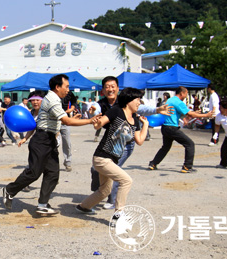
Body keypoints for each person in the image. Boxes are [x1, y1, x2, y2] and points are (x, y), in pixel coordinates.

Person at [2, 74, 98, 216]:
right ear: (57, 87)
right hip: (41, 140)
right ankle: (10, 190)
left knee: (53, 173)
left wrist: (72, 117)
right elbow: (67, 122)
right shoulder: (52, 99)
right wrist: (90, 121)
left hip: (49, 140)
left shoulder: (55, 100)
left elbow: (58, 118)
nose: (68, 89)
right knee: (34, 172)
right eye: (66, 86)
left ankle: (42, 205)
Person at [90, 76, 173, 210]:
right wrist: (93, 115)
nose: (110, 89)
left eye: (113, 86)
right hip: (110, 144)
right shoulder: (103, 104)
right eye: (107, 87)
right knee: (98, 171)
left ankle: (112, 201)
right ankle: (95, 199)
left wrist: (157, 110)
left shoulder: (126, 102)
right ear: (103, 90)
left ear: (117, 88)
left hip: (125, 145)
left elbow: (142, 108)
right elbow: (96, 114)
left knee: (118, 175)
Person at [76, 88, 149, 219]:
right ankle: (118, 215)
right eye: (138, 100)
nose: (139, 103)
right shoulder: (116, 111)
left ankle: (84, 206)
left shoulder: (135, 121)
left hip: (112, 160)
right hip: (102, 157)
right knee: (126, 181)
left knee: (105, 190)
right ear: (129, 101)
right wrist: (96, 121)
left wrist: (146, 125)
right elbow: (99, 124)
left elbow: (140, 141)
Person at [148, 86, 213, 173]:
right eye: (186, 94)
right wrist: (206, 115)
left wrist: (192, 113)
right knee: (190, 144)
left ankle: (153, 163)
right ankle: (187, 166)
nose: (186, 96)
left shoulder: (170, 100)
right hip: (172, 128)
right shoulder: (179, 102)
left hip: (165, 127)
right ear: (182, 93)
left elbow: (179, 113)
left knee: (165, 147)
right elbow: (190, 114)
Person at [60, 90, 78, 172]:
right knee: (54, 143)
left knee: (67, 142)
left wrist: (72, 108)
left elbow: (74, 101)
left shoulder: (69, 93)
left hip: (65, 120)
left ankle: (68, 162)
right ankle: (51, 163)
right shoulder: (52, 93)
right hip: (53, 120)